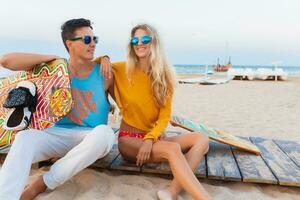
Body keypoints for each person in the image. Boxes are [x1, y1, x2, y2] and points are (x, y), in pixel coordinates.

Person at [0, 18, 116, 200]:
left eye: (95, 39)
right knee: (24, 137)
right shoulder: (54, 70)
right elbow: (5, 61)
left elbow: (128, 106)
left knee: (106, 133)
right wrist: (48, 58)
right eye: (87, 40)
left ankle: (42, 183)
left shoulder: (105, 73)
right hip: (56, 134)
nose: (93, 44)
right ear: (69, 44)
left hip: (91, 137)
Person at [97, 24, 211, 200]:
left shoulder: (165, 76)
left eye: (145, 39)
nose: (139, 43)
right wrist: (104, 57)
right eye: (135, 40)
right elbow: (92, 65)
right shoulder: (122, 68)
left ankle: (172, 191)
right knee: (173, 149)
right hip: (129, 140)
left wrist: (150, 138)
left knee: (202, 138)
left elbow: (164, 116)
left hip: (153, 140)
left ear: (154, 42)